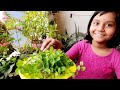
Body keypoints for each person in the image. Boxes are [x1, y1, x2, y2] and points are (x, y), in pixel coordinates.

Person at [40, 11, 120, 79]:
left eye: (109, 25)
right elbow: (63, 62)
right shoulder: (82, 45)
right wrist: (59, 50)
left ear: (116, 31)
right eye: (96, 23)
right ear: (90, 26)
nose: (100, 28)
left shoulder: (116, 57)